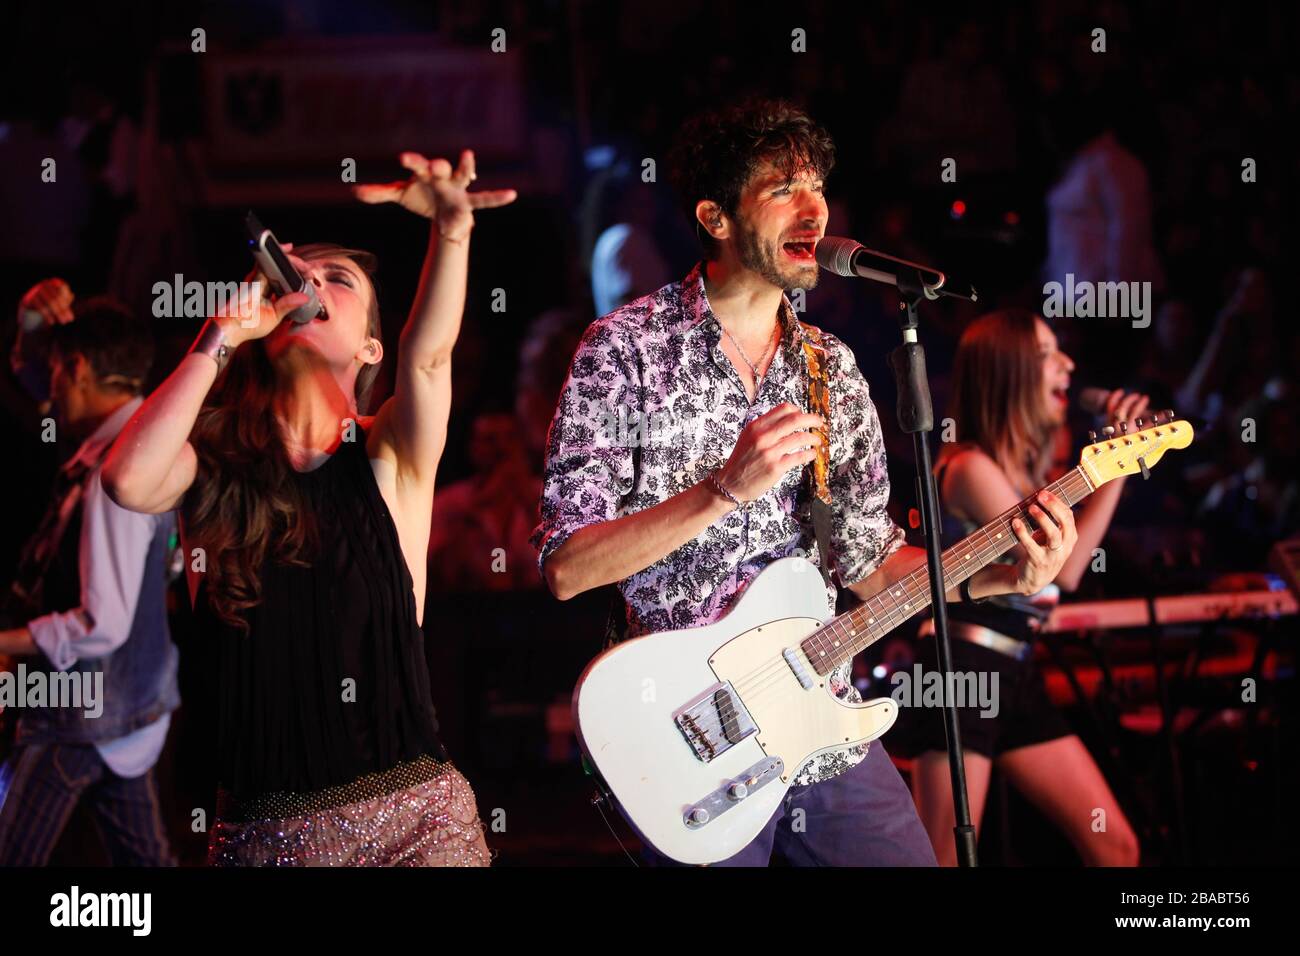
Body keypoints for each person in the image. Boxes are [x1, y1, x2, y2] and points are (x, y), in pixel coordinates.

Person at [531, 99, 1078, 866]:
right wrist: (722, 490)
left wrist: (1007, 575)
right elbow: (566, 566)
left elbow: (871, 564)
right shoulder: (624, 353)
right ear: (716, 218)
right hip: (690, 738)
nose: (814, 206)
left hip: (823, 728)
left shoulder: (832, 368)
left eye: (818, 183)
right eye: (783, 186)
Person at [101, 149, 515, 866]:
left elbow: (427, 359)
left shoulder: (388, 456)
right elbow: (126, 481)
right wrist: (221, 334)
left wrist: (452, 231)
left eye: (340, 281)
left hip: (420, 826)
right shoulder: (211, 466)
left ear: (370, 347)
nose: (312, 283)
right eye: (303, 274)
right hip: (265, 840)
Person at [896, 308, 1143, 866]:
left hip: (1013, 674)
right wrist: (1115, 470)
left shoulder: (1017, 474)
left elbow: (1068, 571)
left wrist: (1115, 463)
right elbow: (1067, 565)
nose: (1068, 365)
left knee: (1117, 846)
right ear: (1009, 373)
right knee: (947, 858)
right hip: (961, 672)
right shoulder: (968, 467)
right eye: (1047, 354)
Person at [0, 288, 178, 866]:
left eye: (57, 368)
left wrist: (5, 644)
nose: (48, 388)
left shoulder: (116, 471)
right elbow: (33, 384)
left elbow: (102, 624)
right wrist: (31, 323)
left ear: (78, 367)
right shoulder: (144, 436)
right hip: (121, 706)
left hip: (78, 710)